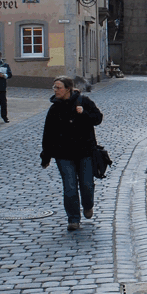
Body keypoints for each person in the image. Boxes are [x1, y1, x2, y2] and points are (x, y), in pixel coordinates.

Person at [40, 77, 103, 231]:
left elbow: (98, 118)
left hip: (85, 151)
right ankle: (73, 219)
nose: (55, 90)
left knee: (87, 185)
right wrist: (46, 155)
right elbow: (48, 134)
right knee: (70, 187)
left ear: (68, 89)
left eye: (58, 87)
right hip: (64, 154)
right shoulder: (54, 108)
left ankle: (88, 205)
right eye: (54, 87)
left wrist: (84, 114)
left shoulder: (83, 101)